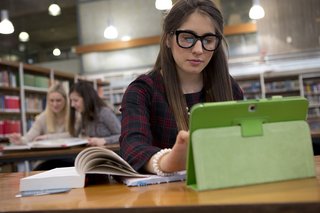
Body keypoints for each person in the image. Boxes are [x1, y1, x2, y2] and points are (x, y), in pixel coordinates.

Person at [119, 0, 244, 176]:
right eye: (188, 38)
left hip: (223, 185)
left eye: (208, 40)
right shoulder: (142, 91)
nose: (199, 50)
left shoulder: (229, 87)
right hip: (164, 196)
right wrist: (167, 162)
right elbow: (132, 146)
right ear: (168, 39)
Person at [68, 81, 121, 146]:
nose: (72, 105)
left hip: (108, 153)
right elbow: (76, 135)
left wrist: (104, 140)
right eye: (71, 101)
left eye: (76, 100)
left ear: (87, 98)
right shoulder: (83, 114)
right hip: (93, 153)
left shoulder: (104, 112)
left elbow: (122, 136)